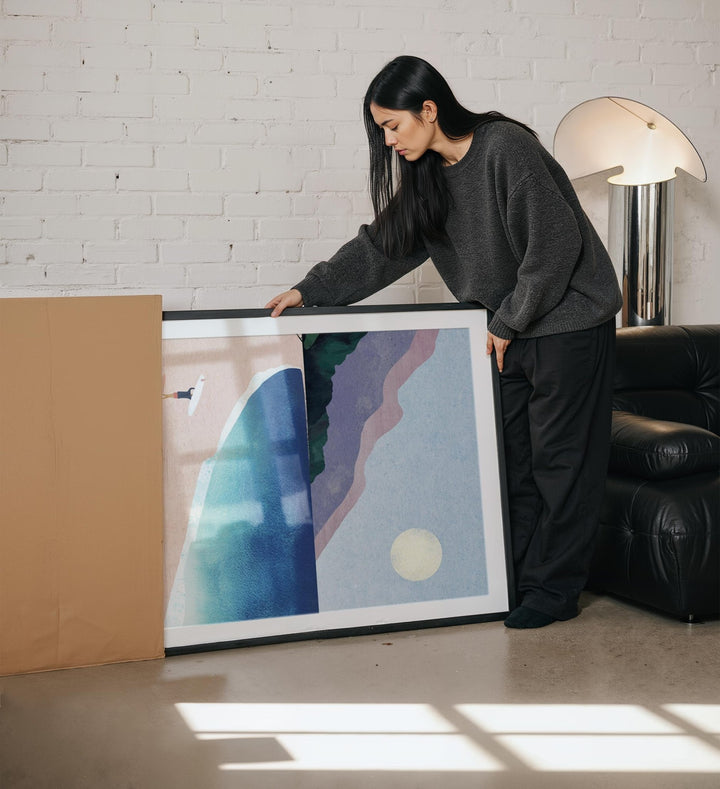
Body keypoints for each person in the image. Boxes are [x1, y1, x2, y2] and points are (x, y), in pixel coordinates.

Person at [265, 55, 623, 629]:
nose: (389, 141)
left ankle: (554, 592)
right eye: (382, 130)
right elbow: (382, 247)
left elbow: (555, 245)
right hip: (508, 330)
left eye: (393, 126)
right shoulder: (428, 175)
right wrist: (312, 290)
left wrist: (508, 321)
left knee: (562, 464)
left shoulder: (505, 148)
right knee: (512, 463)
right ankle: (514, 582)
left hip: (567, 321)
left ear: (428, 110)